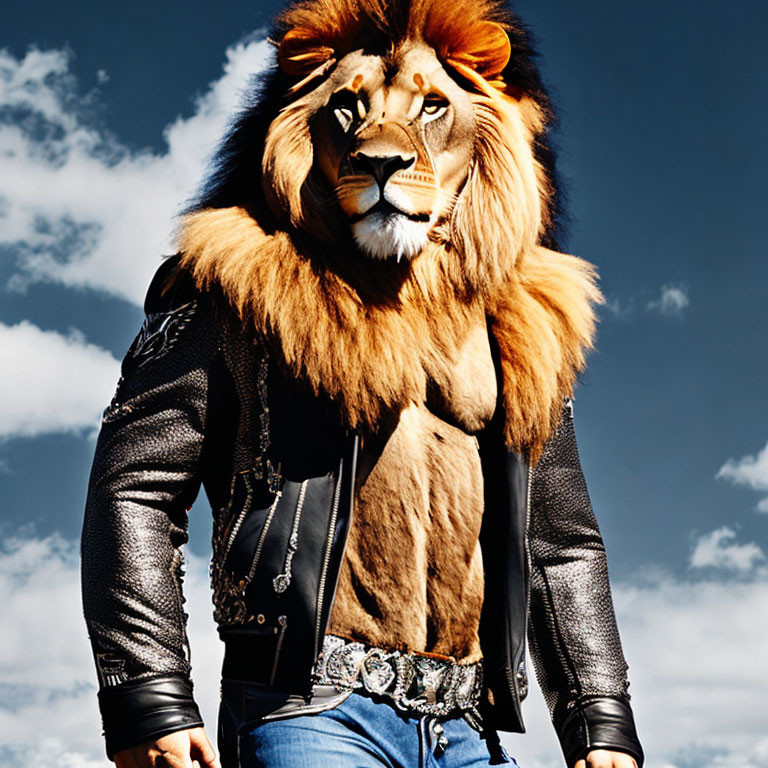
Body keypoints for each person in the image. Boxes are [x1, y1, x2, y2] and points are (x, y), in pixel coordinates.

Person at [81, 1, 644, 766]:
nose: (382, 143)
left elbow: (560, 543)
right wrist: (147, 692)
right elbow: (135, 487)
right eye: (348, 108)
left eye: (431, 110)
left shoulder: (522, 322)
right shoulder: (229, 284)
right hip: (310, 708)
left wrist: (599, 720)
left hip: (466, 724)